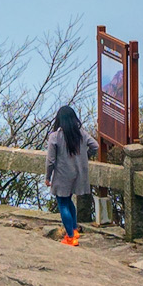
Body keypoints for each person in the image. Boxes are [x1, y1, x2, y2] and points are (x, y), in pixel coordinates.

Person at [42, 104, 94, 244]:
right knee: (68, 200)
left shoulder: (55, 136)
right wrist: (85, 156)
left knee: (62, 203)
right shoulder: (81, 133)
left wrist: (48, 177)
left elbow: (51, 161)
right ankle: (74, 230)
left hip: (62, 175)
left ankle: (70, 237)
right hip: (78, 173)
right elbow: (95, 146)